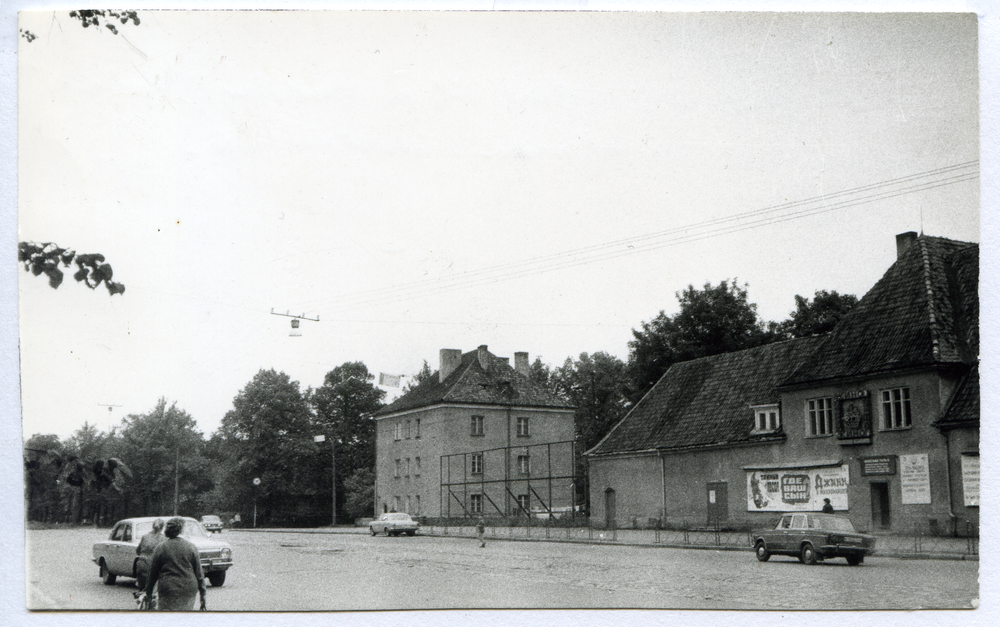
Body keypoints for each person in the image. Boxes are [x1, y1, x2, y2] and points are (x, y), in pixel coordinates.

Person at [144, 517, 207, 611]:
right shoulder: (191, 547)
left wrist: (148, 593)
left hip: (168, 589)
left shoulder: (160, 548)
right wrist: (203, 594)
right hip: (188, 588)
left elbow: (152, 573)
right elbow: (199, 573)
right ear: (181, 530)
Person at [135, 518, 166, 592]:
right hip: (154, 565)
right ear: (162, 527)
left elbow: (138, 550)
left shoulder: (145, 536)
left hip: (142, 563)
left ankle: (141, 599)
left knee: (142, 588)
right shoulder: (164, 539)